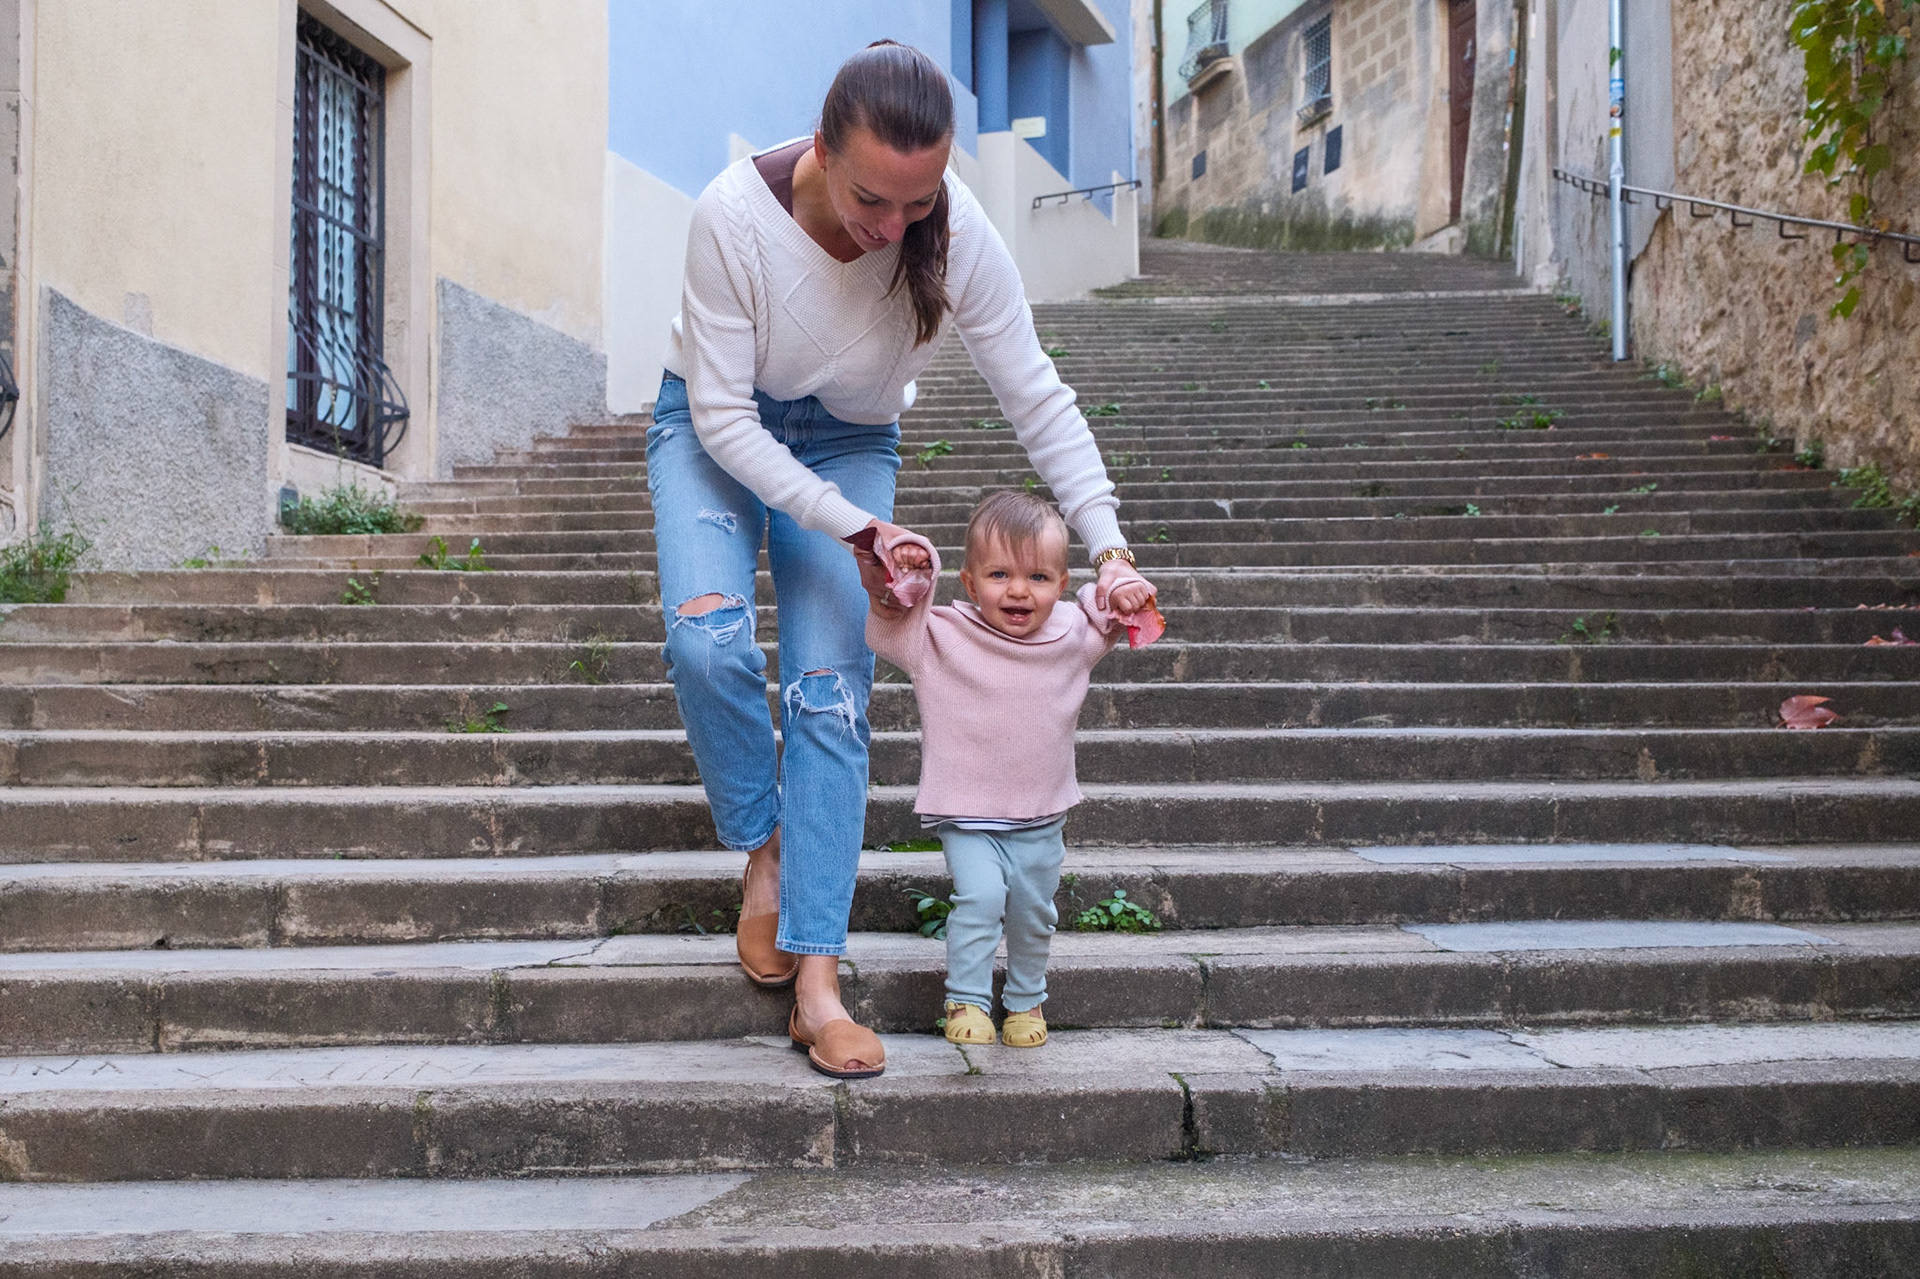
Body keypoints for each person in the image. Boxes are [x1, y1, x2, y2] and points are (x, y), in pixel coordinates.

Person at [648, 40, 1151, 1080]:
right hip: (715, 427)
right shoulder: (730, 218)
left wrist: (1108, 543)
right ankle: (767, 848)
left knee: (830, 691)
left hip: (849, 437)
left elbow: (1036, 392)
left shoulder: (951, 229)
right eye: (875, 199)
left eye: (916, 207)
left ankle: (819, 984)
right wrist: (854, 526)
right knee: (706, 637)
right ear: (823, 150)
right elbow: (729, 425)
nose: (893, 229)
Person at [864, 491, 1160, 1047]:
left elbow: (1115, 609)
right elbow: (889, 628)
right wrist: (897, 585)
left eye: (1039, 577)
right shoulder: (942, 633)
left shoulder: (1074, 633)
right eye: (999, 574)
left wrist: (1123, 584)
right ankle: (967, 1000)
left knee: (1032, 911)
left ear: (1062, 582)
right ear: (970, 583)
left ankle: (1026, 1002)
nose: (1019, 590)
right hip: (966, 809)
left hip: (1041, 811)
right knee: (979, 899)